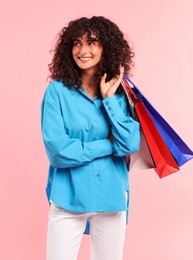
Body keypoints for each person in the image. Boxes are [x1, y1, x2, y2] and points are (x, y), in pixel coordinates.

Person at [40, 16, 140, 260]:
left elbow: (130, 144)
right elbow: (59, 152)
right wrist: (107, 145)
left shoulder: (121, 92)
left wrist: (109, 102)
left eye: (92, 43)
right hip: (68, 197)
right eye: (76, 43)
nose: (83, 50)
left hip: (112, 197)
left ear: (106, 47)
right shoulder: (57, 92)